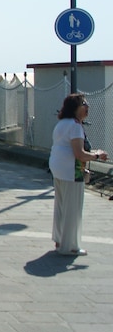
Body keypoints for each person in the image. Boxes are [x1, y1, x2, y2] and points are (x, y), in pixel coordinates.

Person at [48, 93, 107, 256]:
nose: (88, 107)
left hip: (58, 167)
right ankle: (70, 246)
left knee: (61, 206)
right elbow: (79, 154)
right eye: (84, 104)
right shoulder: (75, 126)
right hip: (71, 170)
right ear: (75, 108)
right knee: (73, 208)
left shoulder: (62, 124)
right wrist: (97, 156)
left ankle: (59, 240)